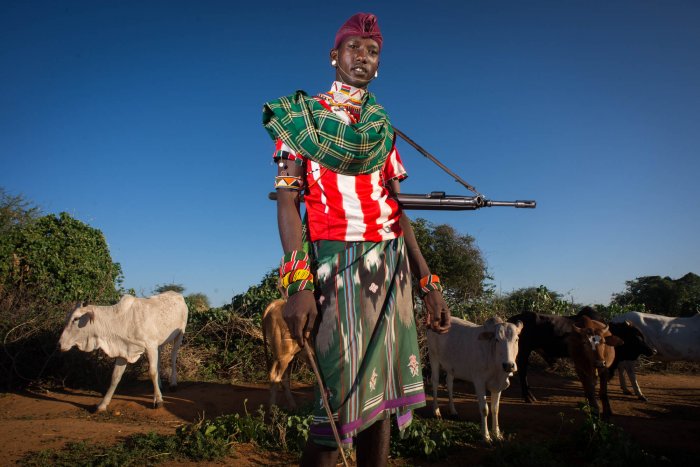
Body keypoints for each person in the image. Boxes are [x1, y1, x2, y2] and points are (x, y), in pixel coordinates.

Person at [262, 12, 451, 467]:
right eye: (354, 49)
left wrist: (428, 282)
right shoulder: (299, 119)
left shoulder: (383, 129)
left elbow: (398, 210)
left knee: (382, 396)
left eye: (372, 52)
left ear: (378, 65)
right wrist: (299, 284)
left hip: (392, 270)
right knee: (336, 405)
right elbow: (287, 203)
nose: (363, 58)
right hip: (335, 264)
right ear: (334, 56)